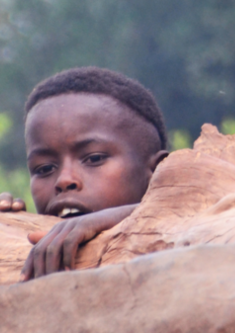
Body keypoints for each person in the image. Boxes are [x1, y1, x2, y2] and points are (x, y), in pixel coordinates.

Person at [10, 66, 169, 278]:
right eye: (45, 168)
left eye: (94, 159)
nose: (65, 180)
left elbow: (191, 205)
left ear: (156, 171)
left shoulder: (199, 232)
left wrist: (108, 219)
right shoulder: (32, 252)